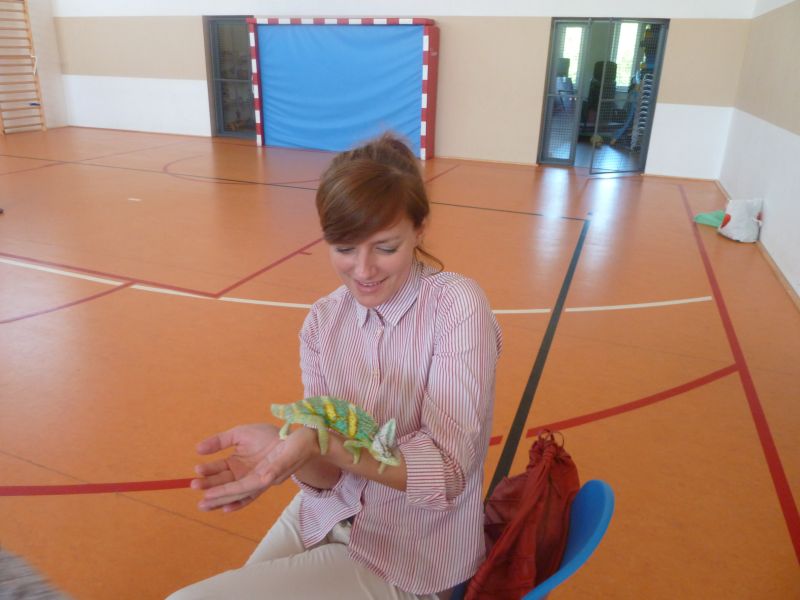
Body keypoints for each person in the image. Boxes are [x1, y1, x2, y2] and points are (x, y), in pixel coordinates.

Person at [168, 133, 502, 599]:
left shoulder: (456, 307)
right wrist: (286, 451)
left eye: (385, 247)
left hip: (413, 554)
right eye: (344, 248)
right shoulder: (323, 321)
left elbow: (446, 473)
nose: (363, 270)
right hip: (331, 514)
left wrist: (320, 443)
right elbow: (326, 480)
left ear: (420, 229)